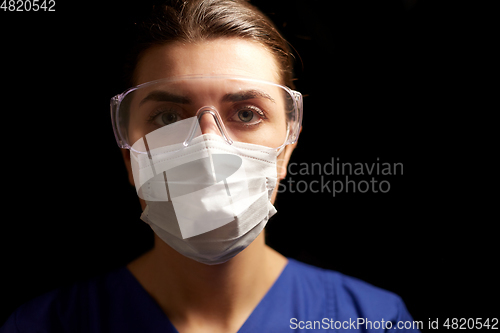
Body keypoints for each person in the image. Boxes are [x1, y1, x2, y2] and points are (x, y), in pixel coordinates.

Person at [1, 0, 420, 332]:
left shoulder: (371, 321)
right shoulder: (46, 325)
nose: (209, 148)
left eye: (246, 114)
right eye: (168, 117)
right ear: (130, 154)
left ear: (287, 149)